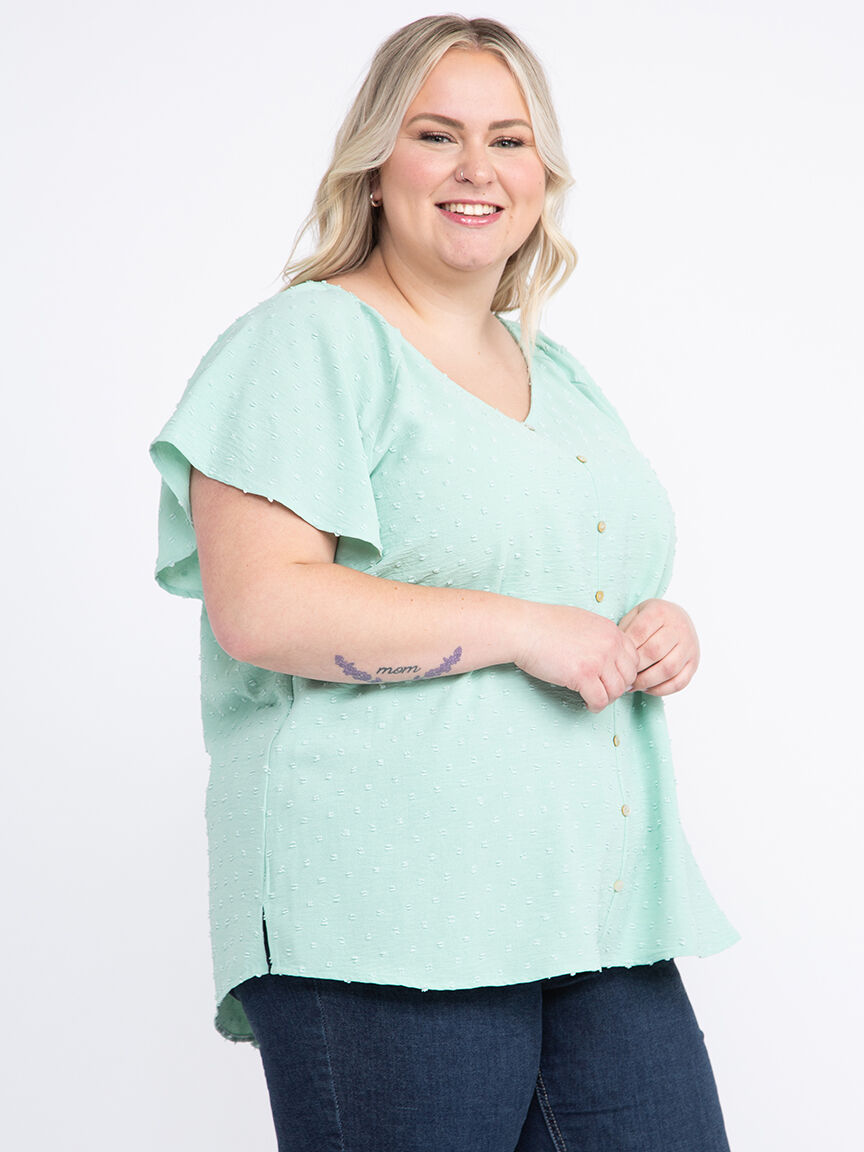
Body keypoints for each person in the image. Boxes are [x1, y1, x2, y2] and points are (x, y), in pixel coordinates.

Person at [151, 14, 738, 1152]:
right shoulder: (307, 344)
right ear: (376, 165)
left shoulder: (554, 369)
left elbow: (583, 591)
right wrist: (525, 630)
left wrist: (651, 627)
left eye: (509, 141)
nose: (479, 169)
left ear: (543, 176)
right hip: (388, 914)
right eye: (438, 135)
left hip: (596, 911)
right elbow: (262, 606)